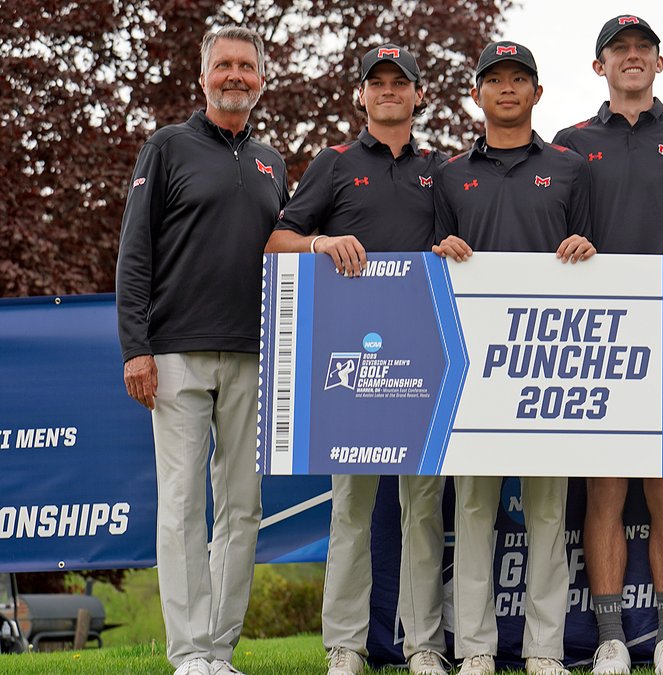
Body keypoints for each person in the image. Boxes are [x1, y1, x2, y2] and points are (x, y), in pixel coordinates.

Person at [264, 44, 450, 675]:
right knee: (350, 511)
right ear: (362, 96)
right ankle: (344, 647)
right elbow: (277, 240)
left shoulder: (442, 168)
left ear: (419, 95)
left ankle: (424, 645)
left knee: (423, 513)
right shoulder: (334, 163)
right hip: (350, 369)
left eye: (402, 82)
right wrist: (322, 241)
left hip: (424, 363)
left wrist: (455, 246)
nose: (390, 91)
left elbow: (459, 248)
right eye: (379, 82)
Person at [116, 26, 287, 675]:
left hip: (253, 353)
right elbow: (134, 253)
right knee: (184, 503)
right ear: (204, 76)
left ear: (262, 80)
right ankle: (189, 653)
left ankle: (218, 650)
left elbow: (289, 247)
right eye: (225, 65)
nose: (235, 75)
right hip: (177, 353)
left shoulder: (273, 161)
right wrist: (137, 347)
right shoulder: (166, 147)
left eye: (247, 65)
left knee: (242, 505)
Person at [550, 15, 663, 675]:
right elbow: (551, 231)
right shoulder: (568, 143)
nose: (632, 58)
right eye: (619, 50)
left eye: (643, 49)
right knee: (604, 491)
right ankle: (612, 638)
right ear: (600, 68)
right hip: (595, 337)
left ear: (659, 63)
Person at [431, 41, 595, 675]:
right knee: (472, 511)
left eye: (518, 79)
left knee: (549, 512)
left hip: (546, 368)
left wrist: (587, 246)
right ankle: (474, 649)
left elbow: (593, 257)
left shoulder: (570, 168)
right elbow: (431, 266)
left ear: (538, 92)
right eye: (493, 80)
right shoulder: (449, 174)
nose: (506, 89)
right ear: (476, 94)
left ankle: (544, 650)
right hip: (472, 370)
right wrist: (438, 247)